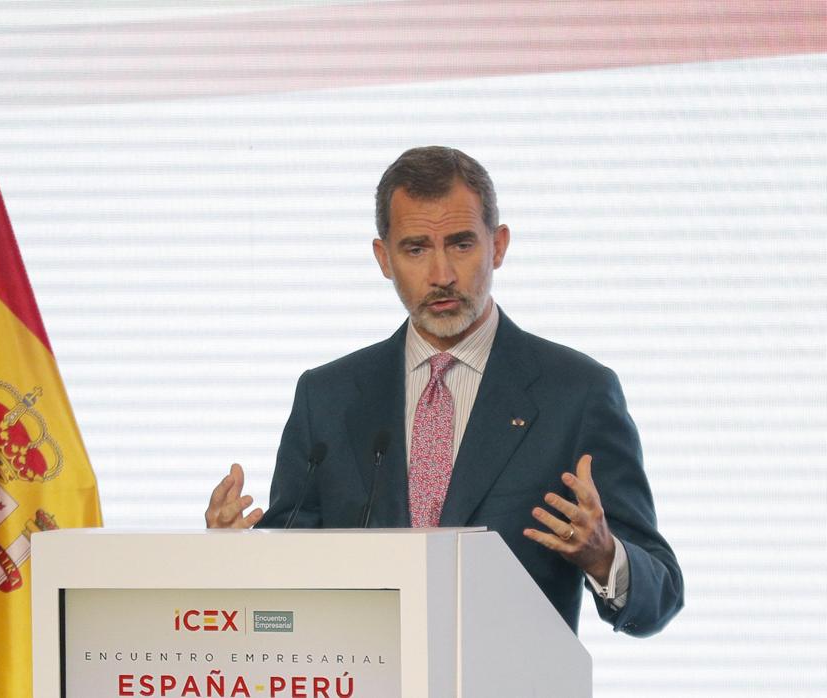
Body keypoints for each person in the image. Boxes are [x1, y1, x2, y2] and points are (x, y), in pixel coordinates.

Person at [204, 146, 683, 636]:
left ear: (497, 246)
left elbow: (660, 593)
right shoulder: (327, 397)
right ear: (383, 258)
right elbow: (286, 572)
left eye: (460, 244)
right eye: (415, 249)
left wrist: (604, 556)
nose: (441, 275)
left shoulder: (576, 394)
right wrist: (234, 558)